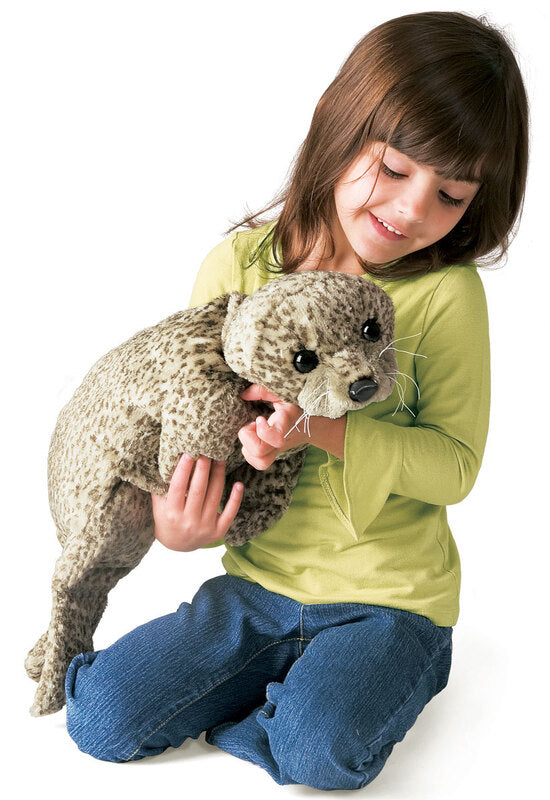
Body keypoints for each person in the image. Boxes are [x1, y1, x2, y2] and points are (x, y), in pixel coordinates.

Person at [64, 11, 528, 790]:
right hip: (256, 590)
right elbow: (193, 433)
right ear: (335, 127)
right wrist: (175, 528)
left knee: (324, 754)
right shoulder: (239, 266)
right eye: (393, 169)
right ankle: (289, 695)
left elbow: (454, 468)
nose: (414, 211)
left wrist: (324, 431)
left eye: (450, 196)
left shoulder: (446, 295)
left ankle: (371, 682)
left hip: (389, 601)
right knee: (102, 717)